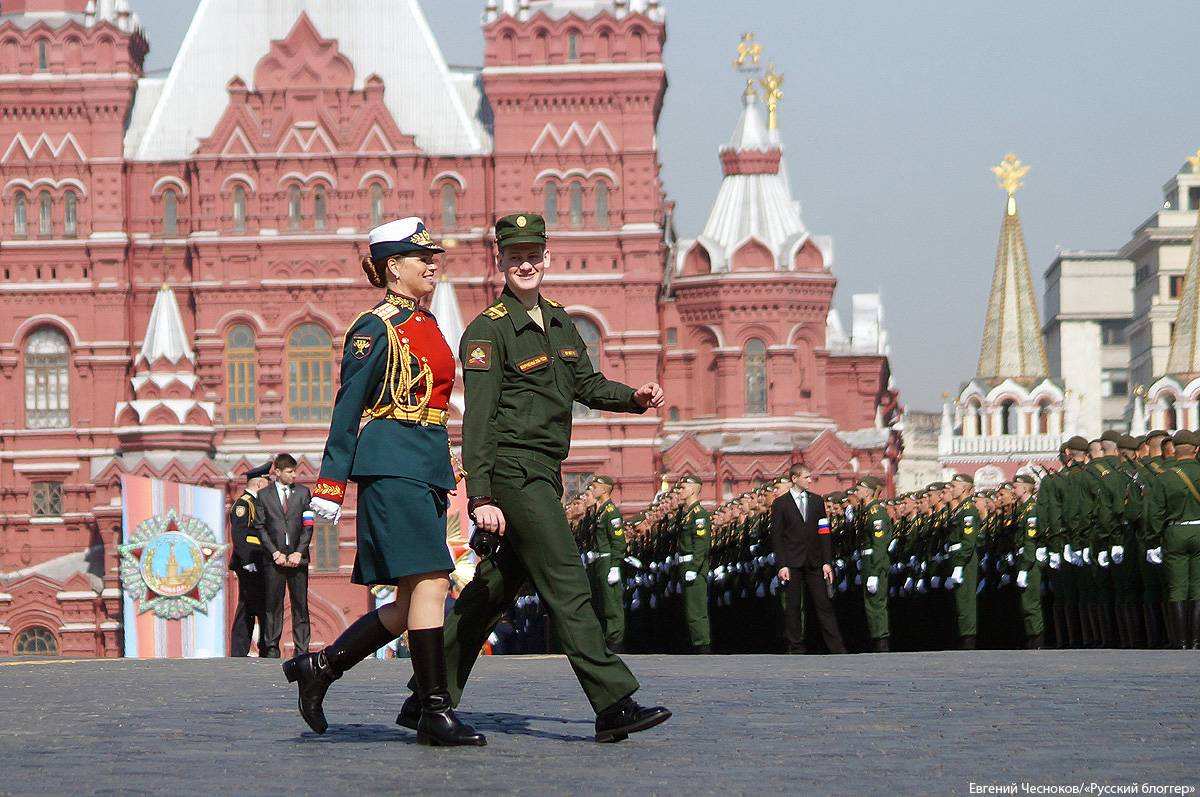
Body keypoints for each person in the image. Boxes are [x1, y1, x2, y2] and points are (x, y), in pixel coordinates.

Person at [396, 212, 671, 744]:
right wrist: (480, 495)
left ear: (546, 259)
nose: (525, 264)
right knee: (568, 580)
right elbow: (477, 419)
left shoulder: (561, 322)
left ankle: (426, 697)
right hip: (514, 474)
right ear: (501, 262)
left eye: (533, 255)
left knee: (493, 590)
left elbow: (586, 384)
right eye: (514, 256)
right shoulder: (488, 330)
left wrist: (633, 400)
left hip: (545, 471)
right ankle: (613, 701)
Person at [287, 217, 485, 746]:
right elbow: (347, 406)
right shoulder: (374, 327)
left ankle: (321, 667)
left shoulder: (426, 322)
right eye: (422, 257)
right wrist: (331, 484)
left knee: (408, 601)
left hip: (425, 467)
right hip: (392, 465)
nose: (432, 264)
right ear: (393, 267)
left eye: (433, 256)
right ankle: (435, 712)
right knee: (432, 583)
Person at [770, 464, 844, 654]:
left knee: (823, 604)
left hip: (815, 561)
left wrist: (827, 561)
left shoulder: (817, 501)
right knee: (793, 606)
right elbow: (777, 537)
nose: (810, 480)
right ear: (794, 479)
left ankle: (836, 647)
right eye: (806, 477)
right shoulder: (780, 504)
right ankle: (795, 645)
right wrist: (781, 565)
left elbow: (824, 531)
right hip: (792, 562)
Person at [258, 453, 313, 658]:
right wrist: (275, 553)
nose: (294, 475)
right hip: (275, 560)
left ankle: (302, 649)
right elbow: (260, 528)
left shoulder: (303, 493)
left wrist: (299, 551)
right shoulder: (264, 496)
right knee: (273, 604)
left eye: (294, 471)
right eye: (289, 472)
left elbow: (308, 525)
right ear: (277, 472)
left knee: (300, 604)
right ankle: (272, 648)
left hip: (298, 558)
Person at [229, 461, 271, 657]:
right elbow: (239, 535)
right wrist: (247, 561)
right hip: (249, 563)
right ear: (260, 483)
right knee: (247, 605)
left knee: (261, 604)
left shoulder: (256, 502)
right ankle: (239, 651)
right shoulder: (244, 504)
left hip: (259, 560)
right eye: (267, 482)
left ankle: (264, 647)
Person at [853, 476, 892, 652]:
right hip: (868, 562)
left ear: (868, 492)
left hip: (875, 563)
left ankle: (881, 642)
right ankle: (876, 640)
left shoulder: (877, 513)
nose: (857, 492)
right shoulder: (866, 511)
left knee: (877, 604)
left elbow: (879, 545)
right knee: (871, 604)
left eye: (860, 489)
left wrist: (875, 572)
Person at [589, 475, 628, 652]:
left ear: (605, 489)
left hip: (607, 561)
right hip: (599, 561)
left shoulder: (611, 512)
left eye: (595, 486)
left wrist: (615, 565)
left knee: (612, 604)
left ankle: (615, 641)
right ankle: (607, 639)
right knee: (603, 602)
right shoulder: (601, 511)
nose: (592, 489)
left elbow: (619, 542)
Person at [676, 475, 712, 654]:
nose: (679, 491)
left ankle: (702, 646)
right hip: (685, 565)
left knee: (696, 610)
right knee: (690, 610)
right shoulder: (686, 514)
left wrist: (694, 567)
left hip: (693, 567)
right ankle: (695, 644)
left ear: (692, 489)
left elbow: (701, 545)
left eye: (683, 488)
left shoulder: (699, 515)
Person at [1012, 473, 1044, 649]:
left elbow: (1030, 541)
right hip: (1022, 559)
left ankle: (1037, 639)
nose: (1013, 489)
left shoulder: (1031, 509)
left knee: (1031, 602)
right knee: (1026, 603)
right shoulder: (1021, 509)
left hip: (1029, 562)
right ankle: (1031, 637)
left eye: (1016, 486)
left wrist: (1025, 567)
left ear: (1025, 488)